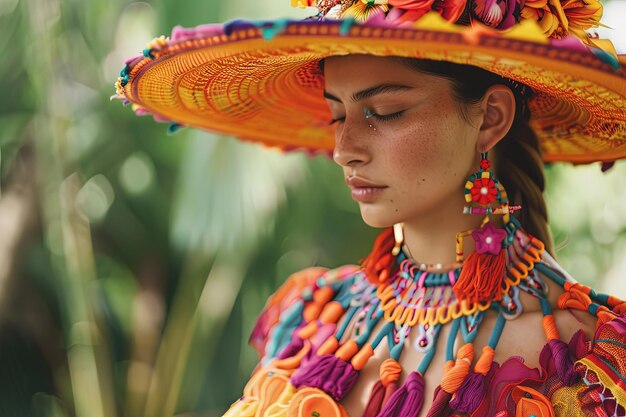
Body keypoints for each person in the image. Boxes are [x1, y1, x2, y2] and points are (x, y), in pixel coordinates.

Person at [115, 0, 626, 415]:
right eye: (338, 115)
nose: (345, 149)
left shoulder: (581, 359)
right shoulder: (312, 314)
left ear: (490, 118)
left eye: (383, 111)